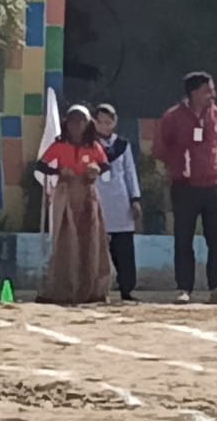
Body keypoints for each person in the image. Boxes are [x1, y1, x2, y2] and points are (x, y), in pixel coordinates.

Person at [156, 72, 217, 305]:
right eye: (207, 90)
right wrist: (179, 165)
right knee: (183, 238)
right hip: (184, 186)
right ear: (193, 92)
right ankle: (184, 288)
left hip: (212, 186)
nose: (212, 95)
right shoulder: (172, 117)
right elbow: (161, 148)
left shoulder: (216, 114)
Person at [33, 105, 112, 304]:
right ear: (66, 123)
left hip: (87, 195)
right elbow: (41, 164)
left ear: (88, 124)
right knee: (65, 240)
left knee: (91, 240)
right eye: (73, 121)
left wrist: (95, 169)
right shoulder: (59, 145)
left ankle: (93, 289)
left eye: (81, 121)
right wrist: (58, 172)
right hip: (66, 194)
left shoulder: (93, 146)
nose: (77, 125)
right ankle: (63, 288)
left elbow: (105, 165)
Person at [92, 103, 142, 303]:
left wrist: (135, 198)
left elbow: (130, 173)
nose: (105, 126)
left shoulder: (122, 145)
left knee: (124, 250)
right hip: (96, 200)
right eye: (101, 122)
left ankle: (127, 288)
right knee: (96, 249)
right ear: (94, 122)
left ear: (115, 122)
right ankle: (96, 288)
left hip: (120, 202)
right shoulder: (88, 145)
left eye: (109, 122)